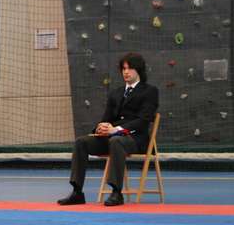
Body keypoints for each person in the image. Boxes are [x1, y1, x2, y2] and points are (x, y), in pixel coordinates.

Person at [58, 52, 159, 207]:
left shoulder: (150, 91)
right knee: (81, 142)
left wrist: (116, 129)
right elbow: (106, 118)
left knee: (116, 140)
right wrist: (101, 127)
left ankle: (116, 192)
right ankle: (77, 192)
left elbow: (143, 122)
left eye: (130, 68)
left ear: (139, 70)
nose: (126, 72)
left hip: (135, 139)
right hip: (112, 138)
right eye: (123, 68)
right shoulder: (116, 93)